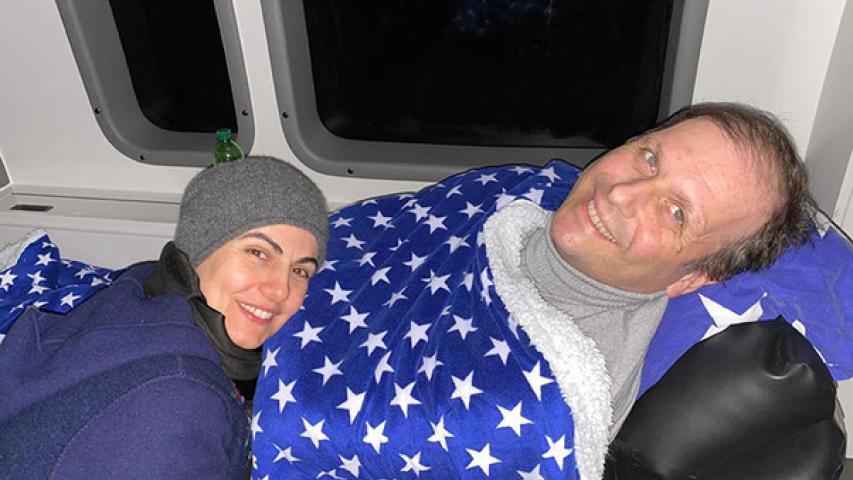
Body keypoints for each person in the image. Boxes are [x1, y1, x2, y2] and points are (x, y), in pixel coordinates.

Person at [250, 103, 814, 480]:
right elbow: (388, 233)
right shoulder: (538, 189)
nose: (622, 193)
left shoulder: (539, 408)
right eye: (649, 157)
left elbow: (304, 428)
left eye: (675, 213)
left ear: (692, 278)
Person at [0, 156, 329, 479]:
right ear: (200, 246)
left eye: (300, 270)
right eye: (258, 253)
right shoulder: (177, 409)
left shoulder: (142, 284)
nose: (280, 290)